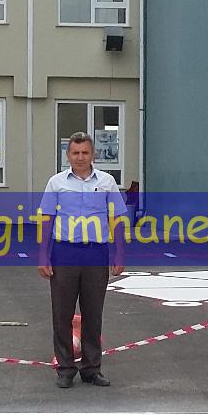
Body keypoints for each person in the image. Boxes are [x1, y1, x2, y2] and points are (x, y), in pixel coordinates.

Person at [38, 132, 127, 388]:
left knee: (93, 314)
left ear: (93, 154)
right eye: (75, 153)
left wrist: (119, 253)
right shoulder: (56, 183)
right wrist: (43, 255)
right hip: (64, 253)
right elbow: (46, 220)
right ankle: (66, 369)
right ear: (68, 155)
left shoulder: (107, 182)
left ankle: (91, 369)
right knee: (62, 314)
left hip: (96, 254)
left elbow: (117, 219)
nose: (80, 157)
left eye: (85, 152)